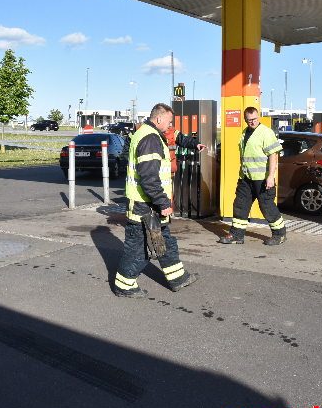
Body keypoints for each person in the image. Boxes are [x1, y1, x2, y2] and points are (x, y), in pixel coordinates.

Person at [114, 103, 206, 298]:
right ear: (159, 119)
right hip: (144, 205)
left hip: (147, 204)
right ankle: (124, 285)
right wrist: (163, 203)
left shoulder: (146, 133)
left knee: (165, 241)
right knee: (138, 248)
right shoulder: (150, 138)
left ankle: (178, 278)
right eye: (169, 121)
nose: (170, 125)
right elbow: (149, 177)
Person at [218, 106, 286, 246]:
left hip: (262, 179)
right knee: (240, 205)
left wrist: (271, 176)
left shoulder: (266, 133)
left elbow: (273, 155)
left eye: (254, 119)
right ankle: (237, 235)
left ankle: (280, 234)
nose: (252, 122)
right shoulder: (245, 133)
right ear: (245, 120)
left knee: (266, 207)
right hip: (246, 178)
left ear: (258, 117)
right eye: (249, 120)